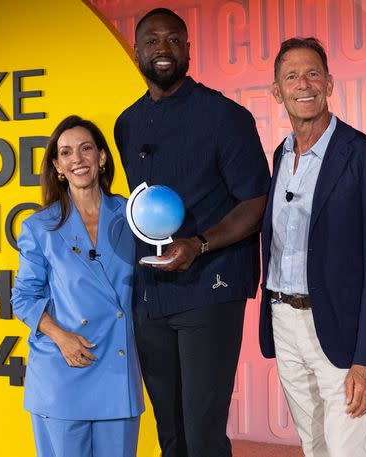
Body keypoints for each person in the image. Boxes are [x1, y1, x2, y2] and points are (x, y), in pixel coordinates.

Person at [114, 8, 271, 457]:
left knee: (202, 435)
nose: (162, 48)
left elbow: (255, 202)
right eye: (152, 41)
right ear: (137, 51)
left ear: (187, 49)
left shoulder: (225, 116)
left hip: (210, 288)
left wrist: (199, 245)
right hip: (151, 295)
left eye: (173, 40)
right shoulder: (126, 123)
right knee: (171, 435)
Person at [258, 37, 366, 456]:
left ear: (330, 83)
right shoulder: (280, 156)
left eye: (313, 73)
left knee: (349, 448)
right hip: (284, 322)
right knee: (314, 444)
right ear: (276, 91)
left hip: (340, 329)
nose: (304, 84)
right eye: (292, 76)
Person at [11, 115, 144, 457]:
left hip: (116, 369)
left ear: (101, 158)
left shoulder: (134, 215)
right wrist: (61, 337)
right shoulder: (39, 227)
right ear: (57, 166)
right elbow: (23, 297)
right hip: (64, 367)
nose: (77, 160)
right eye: (66, 153)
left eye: (86, 149)